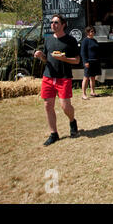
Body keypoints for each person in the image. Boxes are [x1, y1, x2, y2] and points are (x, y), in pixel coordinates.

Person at [34, 14, 81, 146]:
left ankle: (72, 121)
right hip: (48, 76)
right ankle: (53, 134)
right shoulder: (48, 40)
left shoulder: (70, 40)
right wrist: (40, 55)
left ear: (63, 25)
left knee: (65, 106)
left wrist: (64, 59)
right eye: (52, 22)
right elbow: (46, 59)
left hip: (64, 77)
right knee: (48, 105)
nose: (53, 25)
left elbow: (77, 60)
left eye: (56, 22)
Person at [81, 26, 101, 100]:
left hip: (95, 62)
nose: (92, 33)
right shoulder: (85, 41)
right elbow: (83, 52)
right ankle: (83, 94)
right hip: (88, 62)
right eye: (91, 31)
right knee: (86, 78)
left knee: (93, 78)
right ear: (87, 32)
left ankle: (92, 92)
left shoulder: (94, 40)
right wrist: (85, 61)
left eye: (93, 31)